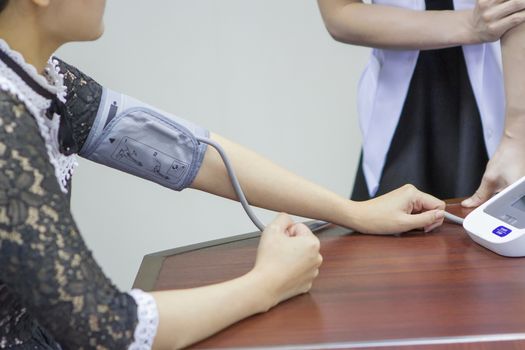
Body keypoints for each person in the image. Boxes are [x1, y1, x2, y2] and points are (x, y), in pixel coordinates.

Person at [0, 0, 446, 349]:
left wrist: (356, 212)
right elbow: (104, 328)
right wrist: (266, 285)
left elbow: (190, 151)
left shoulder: (44, 82)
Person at [317, 0, 525, 204]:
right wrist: (469, 25)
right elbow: (338, 13)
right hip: (403, 107)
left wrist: (516, 136)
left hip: (507, 98)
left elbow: (515, 10)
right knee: (390, 228)